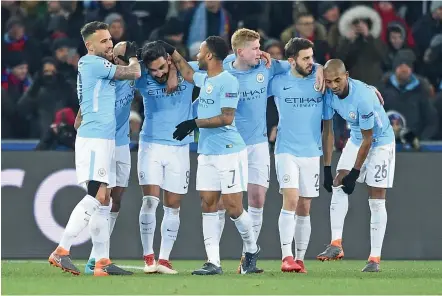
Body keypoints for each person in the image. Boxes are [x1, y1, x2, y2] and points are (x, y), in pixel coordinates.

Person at [221, 28, 325, 272]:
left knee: (288, 204)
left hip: (293, 148)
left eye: (260, 47)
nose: (261, 52)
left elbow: (342, 79)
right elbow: (206, 65)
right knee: (286, 199)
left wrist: (322, 67)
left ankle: (286, 258)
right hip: (260, 146)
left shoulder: (309, 77)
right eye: (256, 48)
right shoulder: (263, 76)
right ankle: (278, 257)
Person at [48, 21, 141, 276]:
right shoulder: (91, 63)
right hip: (96, 138)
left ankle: (101, 263)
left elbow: (80, 115)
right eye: (104, 41)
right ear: (89, 46)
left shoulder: (97, 69)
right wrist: (132, 55)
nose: (109, 44)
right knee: (96, 196)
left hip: (103, 138)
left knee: (104, 200)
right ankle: (61, 250)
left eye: (110, 40)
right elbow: (134, 73)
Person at [164, 36, 262, 275]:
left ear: (209, 55)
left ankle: (251, 248)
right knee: (207, 203)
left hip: (229, 151)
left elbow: (227, 118)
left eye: (200, 51)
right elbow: (188, 73)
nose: (197, 55)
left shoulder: (228, 81)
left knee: (232, 207)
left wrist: (194, 123)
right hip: (207, 152)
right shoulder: (205, 78)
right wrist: (172, 52)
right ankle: (214, 262)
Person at [317, 59, 395, 272]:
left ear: (347, 76)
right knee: (337, 183)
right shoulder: (328, 95)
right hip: (357, 138)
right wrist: (326, 167)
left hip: (381, 142)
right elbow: (328, 131)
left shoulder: (363, 97)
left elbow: (370, 139)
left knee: (376, 198)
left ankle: (374, 258)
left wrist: (355, 172)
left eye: (337, 80)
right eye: (329, 81)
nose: (333, 85)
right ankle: (336, 244)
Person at [268, 37, 332, 274]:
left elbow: (342, 79)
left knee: (305, 207)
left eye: (312, 58)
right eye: (305, 58)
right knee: (291, 200)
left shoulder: (319, 79)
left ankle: (300, 259)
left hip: (311, 152)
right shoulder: (277, 82)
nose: (311, 62)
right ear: (291, 61)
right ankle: (286, 257)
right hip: (286, 150)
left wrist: (321, 67)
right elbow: (252, 89)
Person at [135, 40, 194, 274]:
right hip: (150, 144)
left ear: (169, 60)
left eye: (162, 67)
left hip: (179, 148)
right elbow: (126, 50)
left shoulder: (188, 72)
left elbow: (221, 64)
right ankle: (148, 256)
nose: (158, 73)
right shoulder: (141, 76)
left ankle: (165, 259)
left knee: (173, 206)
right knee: (150, 201)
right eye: (153, 70)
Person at [81, 41, 136, 274]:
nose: (112, 55)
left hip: (122, 144)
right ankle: (97, 261)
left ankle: (98, 258)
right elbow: (80, 117)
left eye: (118, 52)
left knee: (116, 201)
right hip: (104, 143)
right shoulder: (105, 80)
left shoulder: (133, 77)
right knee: (102, 200)